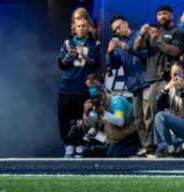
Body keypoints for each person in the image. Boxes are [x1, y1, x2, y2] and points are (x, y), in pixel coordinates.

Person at [133, 5, 184, 156]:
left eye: (164, 13)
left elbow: (176, 51)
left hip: (169, 78)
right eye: (159, 14)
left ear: (171, 15)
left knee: (168, 112)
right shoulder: (153, 30)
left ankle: (172, 145)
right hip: (152, 79)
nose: (161, 16)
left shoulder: (178, 32)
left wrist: (158, 41)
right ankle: (156, 146)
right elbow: (137, 47)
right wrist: (142, 35)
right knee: (152, 113)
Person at [57, 12, 101, 158]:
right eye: (78, 26)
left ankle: (80, 145)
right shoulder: (68, 43)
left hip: (83, 89)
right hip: (66, 87)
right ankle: (68, 146)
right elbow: (61, 65)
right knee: (64, 119)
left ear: (88, 28)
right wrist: (68, 56)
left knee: (83, 119)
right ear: (74, 28)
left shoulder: (94, 44)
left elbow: (96, 65)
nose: (81, 28)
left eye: (84, 26)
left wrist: (84, 56)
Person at [106, 16, 149, 153]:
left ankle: (154, 146)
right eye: (115, 30)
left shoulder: (139, 36)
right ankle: (147, 147)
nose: (118, 31)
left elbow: (146, 55)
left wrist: (129, 48)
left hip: (147, 83)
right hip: (134, 86)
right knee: (138, 119)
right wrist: (109, 53)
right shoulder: (118, 45)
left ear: (126, 23)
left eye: (119, 27)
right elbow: (113, 65)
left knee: (149, 116)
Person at [81, 73, 139, 158]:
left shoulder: (116, 101)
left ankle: (138, 150)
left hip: (131, 134)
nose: (99, 99)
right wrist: (86, 113)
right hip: (116, 137)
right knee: (88, 150)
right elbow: (89, 123)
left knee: (115, 154)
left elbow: (120, 121)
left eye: (100, 96)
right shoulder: (97, 105)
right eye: (95, 97)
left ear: (104, 92)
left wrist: (103, 113)